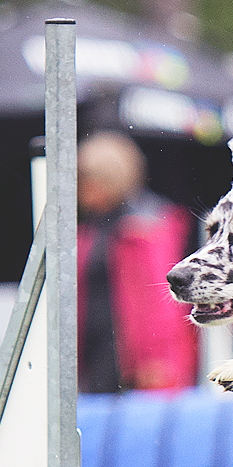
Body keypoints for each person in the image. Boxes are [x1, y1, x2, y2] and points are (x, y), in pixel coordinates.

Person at [75, 131, 197, 392]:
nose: (78, 189)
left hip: (139, 367)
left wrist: (158, 359)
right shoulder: (90, 229)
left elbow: (160, 300)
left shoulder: (146, 227)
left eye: (83, 180)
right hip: (97, 359)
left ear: (105, 180)